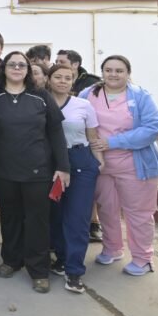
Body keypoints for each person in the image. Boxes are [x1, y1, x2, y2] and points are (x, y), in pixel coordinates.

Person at [0, 52, 70, 293]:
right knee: (9, 216)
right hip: (3, 170)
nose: (16, 68)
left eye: (21, 65)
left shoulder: (41, 97)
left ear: (27, 69)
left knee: (37, 221)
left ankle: (38, 269)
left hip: (38, 171)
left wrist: (63, 167)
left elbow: (56, 132)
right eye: (12, 64)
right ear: (4, 68)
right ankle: (12, 260)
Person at [81, 55, 158, 276]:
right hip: (101, 165)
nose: (113, 74)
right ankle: (112, 248)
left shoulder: (141, 96)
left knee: (139, 213)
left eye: (119, 70)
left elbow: (153, 128)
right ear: (102, 72)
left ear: (128, 73)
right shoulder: (88, 94)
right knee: (107, 210)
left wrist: (112, 142)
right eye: (108, 70)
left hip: (135, 166)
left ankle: (143, 258)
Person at [46, 64, 102, 293]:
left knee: (77, 218)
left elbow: (92, 135)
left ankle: (74, 270)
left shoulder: (83, 105)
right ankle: (60, 258)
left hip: (80, 161)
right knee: (55, 215)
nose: (62, 81)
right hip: (50, 164)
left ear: (74, 80)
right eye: (57, 77)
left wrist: (99, 162)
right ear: (49, 79)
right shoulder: (41, 102)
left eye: (67, 78)